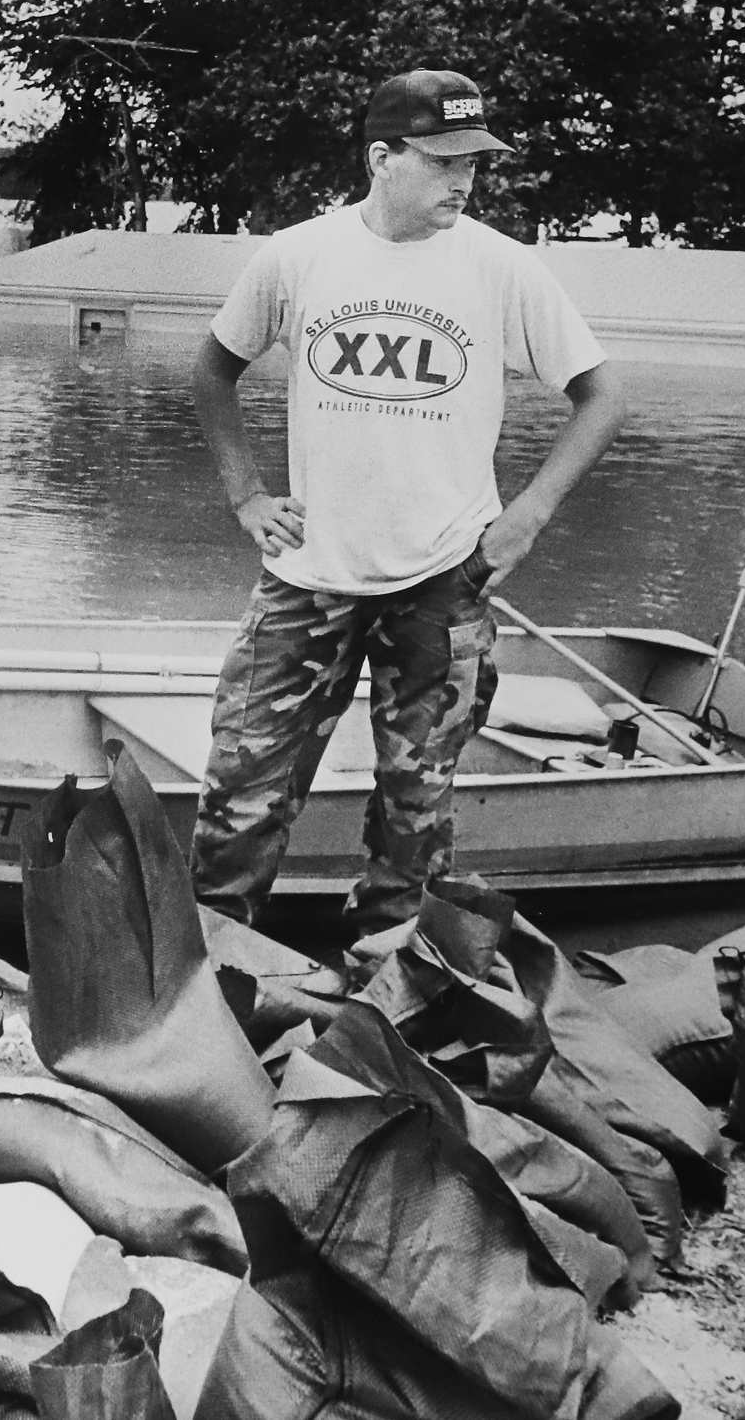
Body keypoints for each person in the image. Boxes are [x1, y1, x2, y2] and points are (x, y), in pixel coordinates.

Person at [188, 67, 626, 933]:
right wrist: (245, 495)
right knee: (242, 790)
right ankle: (209, 974)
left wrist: (528, 515)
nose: (465, 180)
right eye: (443, 161)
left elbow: (603, 397)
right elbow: (212, 370)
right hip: (309, 574)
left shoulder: (504, 269)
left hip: (442, 580)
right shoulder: (297, 255)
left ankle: (385, 978)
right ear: (383, 158)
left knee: (416, 812)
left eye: (476, 162)